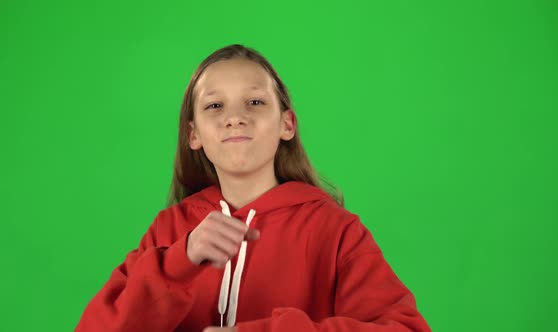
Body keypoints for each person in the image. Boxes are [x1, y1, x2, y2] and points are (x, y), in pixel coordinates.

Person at [74, 44, 431, 332]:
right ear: (193, 135)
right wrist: (180, 262)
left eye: (255, 102)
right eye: (214, 105)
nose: (235, 117)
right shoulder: (169, 231)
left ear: (286, 124)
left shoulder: (337, 231)